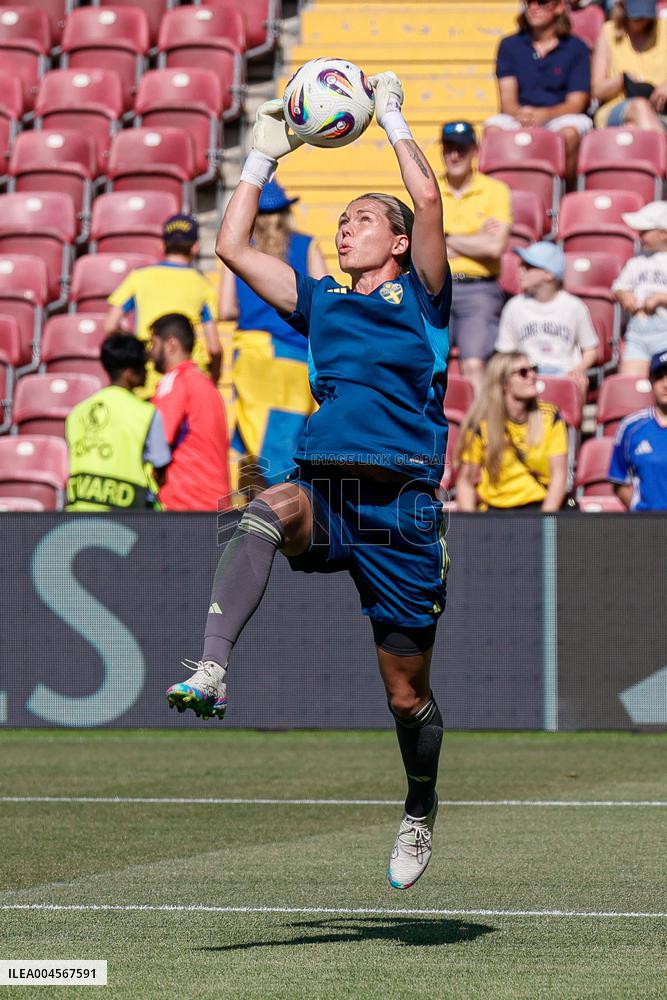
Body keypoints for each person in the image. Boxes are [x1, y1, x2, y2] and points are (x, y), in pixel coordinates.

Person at [166, 74, 452, 891]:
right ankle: (212, 667)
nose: (345, 227)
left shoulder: (424, 299)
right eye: (341, 219)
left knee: (405, 698)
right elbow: (231, 247)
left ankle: (419, 806)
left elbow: (428, 201)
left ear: (396, 241)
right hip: (326, 491)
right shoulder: (321, 298)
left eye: (361, 218)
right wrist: (260, 157)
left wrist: (390, 116)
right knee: (261, 508)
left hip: (401, 512)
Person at [220, 179, 327, 495]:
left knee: (254, 450)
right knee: (286, 448)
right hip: (296, 359)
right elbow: (325, 305)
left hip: (253, 358)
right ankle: (291, 514)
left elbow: (225, 308)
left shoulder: (239, 250)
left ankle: (258, 517)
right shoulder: (307, 245)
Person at [105, 214, 222, 392]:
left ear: (162, 245)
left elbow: (109, 326)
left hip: (147, 377)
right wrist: (213, 379)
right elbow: (214, 348)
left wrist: (140, 345)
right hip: (187, 379)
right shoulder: (203, 285)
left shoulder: (139, 277)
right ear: (196, 247)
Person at [485, 0, 593, 185]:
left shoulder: (577, 48)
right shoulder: (509, 45)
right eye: (530, 2)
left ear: (559, 7)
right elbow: (507, 101)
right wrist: (523, 115)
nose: (534, 8)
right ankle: (498, 194)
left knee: (569, 134)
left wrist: (544, 115)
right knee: (493, 130)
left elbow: (577, 103)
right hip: (520, 114)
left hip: (561, 116)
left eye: (542, 2)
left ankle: (566, 194)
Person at [439, 120, 511, 393]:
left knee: (474, 365)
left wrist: (446, 238)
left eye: (462, 148)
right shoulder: (430, 189)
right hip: (438, 286)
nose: (454, 155)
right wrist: (475, 238)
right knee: (427, 364)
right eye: (449, 148)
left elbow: (494, 247)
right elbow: (418, 244)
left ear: (474, 151)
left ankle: (483, 421)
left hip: (478, 287)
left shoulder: (495, 190)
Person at [65, 333, 170, 511]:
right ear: (130, 373)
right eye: (144, 366)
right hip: (126, 518)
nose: (147, 372)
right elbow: (161, 467)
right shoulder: (146, 413)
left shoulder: (77, 413)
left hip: (80, 516)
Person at [455, 351, 568, 511]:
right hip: (495, 512)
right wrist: (471, 523)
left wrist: (545, 522)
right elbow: (465, 481)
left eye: (533, 369)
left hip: (540, 508)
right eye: (523, 372)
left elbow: (559, 475)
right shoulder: (481, 424)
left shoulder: (550, 417)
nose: (532, 376)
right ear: (503, 383)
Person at [150, 313, 231, 512]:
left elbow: (157, 439)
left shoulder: (175, 380)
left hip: (184, 504)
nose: (150, 352)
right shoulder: (206, 384)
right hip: (215, 506)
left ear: (170, 344)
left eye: (153, 344)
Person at [495, 241, 599, 394]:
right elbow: (505, 352)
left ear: (549, 274)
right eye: (521, 265)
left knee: (580, 383)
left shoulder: (574, 306)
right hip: (527, 373)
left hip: (564, 373)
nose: (521, 270)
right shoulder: (514, 306)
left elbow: (590, 349)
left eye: (528, 266)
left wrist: (578, 370)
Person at [592, 0, 667, 132]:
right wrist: (623, 80)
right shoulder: (608, 31)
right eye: (636, 15)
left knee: (632, 127)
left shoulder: (664, 28)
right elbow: (597, 90)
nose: (641, 19)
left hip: (661, 109)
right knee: (640, 107)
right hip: (618, 106)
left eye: (645, 14)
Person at [613, 200, 667, 377]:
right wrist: (624, 296)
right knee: (631, 383)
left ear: (664, 233)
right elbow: (619, 286)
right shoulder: (638, 260)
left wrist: (660, 298)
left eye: (645, 232)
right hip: (638, 331)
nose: (640, 236)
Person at [609, 349, 667, 509]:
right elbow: (618, 479)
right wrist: (638, 509)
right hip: (647, 521)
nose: (665, 384)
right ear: (650, 381)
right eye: (659, 377)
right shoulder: (631, 427)